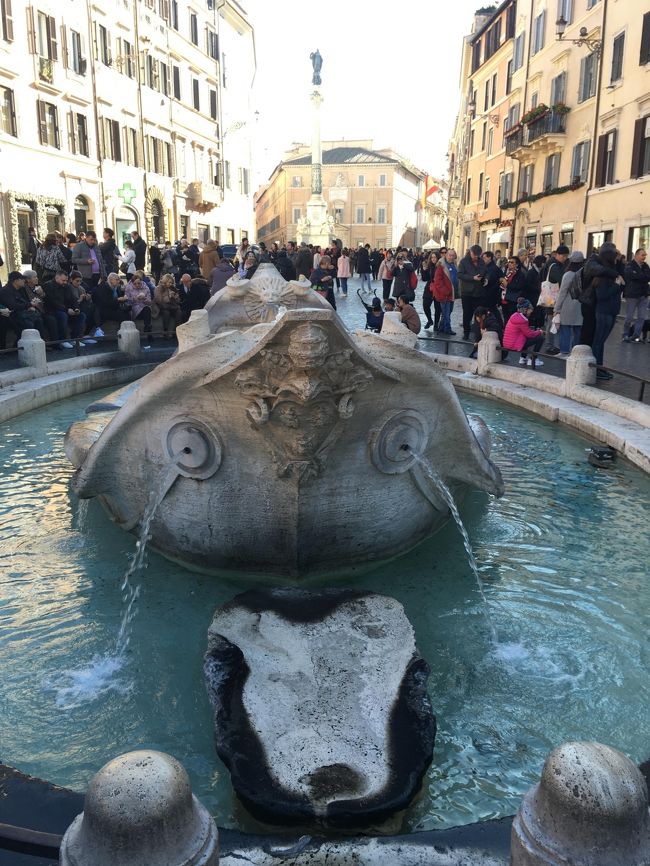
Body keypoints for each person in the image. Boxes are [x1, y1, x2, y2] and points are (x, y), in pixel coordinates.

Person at [591, 242, 624, 379]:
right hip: (603, 311)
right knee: (598, 341)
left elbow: (622, 284)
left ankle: (600, 367)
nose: (617, 257)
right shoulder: (603, 273)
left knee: (601, 341)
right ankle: (595, 369)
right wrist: (617, 286)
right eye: (615, 254)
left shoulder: (612, 271)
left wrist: (620, 262)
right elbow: (602, 295)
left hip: (611, 310)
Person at [42, 269, 86, 348]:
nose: (65, 282)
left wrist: (76, 308)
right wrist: (67, 310)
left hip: (66, 309)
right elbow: (53, 302)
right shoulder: (48, 285)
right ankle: (63, 340)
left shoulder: (67, 286)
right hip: (53, 310)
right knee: (63, 315)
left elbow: (72, 299)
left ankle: (74, 339)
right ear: (57, 278)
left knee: (81, 315)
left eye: (66, 280)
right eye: (63, 280)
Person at [554, 251, 584, 357]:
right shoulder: (584, 273)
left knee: (565, 329)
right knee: (578, 330)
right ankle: (576, 352)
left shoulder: (568, 275)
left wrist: (557, 308)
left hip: (567, 305)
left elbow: (562, 293)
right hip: (581, 305)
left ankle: (564, 351)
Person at [0, 271, 47, 338]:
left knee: (38, 320)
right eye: (22, 279)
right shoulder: (6, 290)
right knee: (28, 324)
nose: (24, 281)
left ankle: (40, 342)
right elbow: (13, 306)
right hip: (9, 316)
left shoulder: (17, 289)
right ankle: (26, 345)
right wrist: (30, 304)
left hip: (19, 314)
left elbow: (21, 302)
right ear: (16, 281)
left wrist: (31, 304)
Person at [502, 298, 544, 366]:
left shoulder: (515, 316)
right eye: (530, 309)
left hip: (508, 343)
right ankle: (533, 359)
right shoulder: (522, 320)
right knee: (540, 338)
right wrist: (539, 332)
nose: (531, 311)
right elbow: (530, 334)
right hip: (514, 344)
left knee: (524, 337)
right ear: (525, 310)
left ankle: (523, 358)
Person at [457, 244, 486, 340]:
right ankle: (466, 332)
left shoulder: (481, 261)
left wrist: (486, 279)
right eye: (475, 255)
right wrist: (472, 278)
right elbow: (460, 275)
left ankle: (478, 332)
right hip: (467, 292)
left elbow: (486, 272)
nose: (476, 257)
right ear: (471, 252)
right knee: (467, 313)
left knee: (479, 313)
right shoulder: (464, 262)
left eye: (478, 255)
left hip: (478, 291)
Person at [622, 248, 649, 342]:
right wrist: (643, 277)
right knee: (629, 317)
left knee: (641, 317)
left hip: (643, 295)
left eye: (645, 255)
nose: (644, 257)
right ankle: (625, 334)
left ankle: (636, 336)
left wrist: (640, 276)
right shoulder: (630, 265)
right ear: (636, 255)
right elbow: (631, 276)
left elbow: (648, 277)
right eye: (643, 255)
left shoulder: (645, 266)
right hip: (632, 295)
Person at [432, 252, 456, 335]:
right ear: (446, 256)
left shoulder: (453, 265)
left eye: (453, 255)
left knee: (448, 312)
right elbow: (438, 281)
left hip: (451, 293)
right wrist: (446, 291)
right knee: (446, 312)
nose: (451, 257)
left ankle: (441, 327)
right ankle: (447, 328)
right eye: (450, 255)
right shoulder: (441, 266)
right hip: (445, 294)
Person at [500, 256, 527, 323]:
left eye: (512, 262)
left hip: (512, 300)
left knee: (512, 320)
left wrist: (507, 284)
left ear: (516, 264)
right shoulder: (507, 272)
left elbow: (519, 287)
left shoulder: (520, 274)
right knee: (506, 319)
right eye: (508, 262)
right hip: (504, 299)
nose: (509, 264)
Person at [421, 252, 437, 329]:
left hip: (438, 288)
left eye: (435, 257)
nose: (433, 259)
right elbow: (424, 278)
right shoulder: (429, 266)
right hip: (429, 288)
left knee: (438, 308)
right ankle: (430, 320)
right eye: (432, 257)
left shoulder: (440, 266)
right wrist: (424, 270)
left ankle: (436, 325)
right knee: (425, 305)